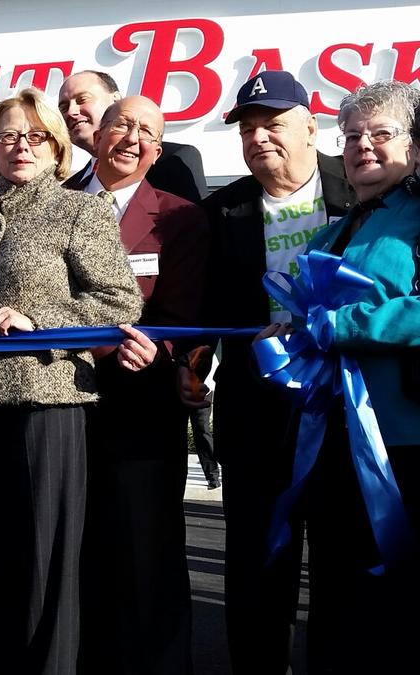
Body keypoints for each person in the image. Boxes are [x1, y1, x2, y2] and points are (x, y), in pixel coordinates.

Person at [0, 88, 143, 675]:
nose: (20, 146)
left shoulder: (80, 210)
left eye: (34, 136)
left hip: (48, 401)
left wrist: (39, 322)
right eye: (7, 137)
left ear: (55, 147)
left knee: (45, 562)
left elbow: (119, 302)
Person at [188, 70, 355, 675]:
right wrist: (192, 360)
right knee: (258, 564)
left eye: (273, 124)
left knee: (343, 563)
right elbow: (201, 311)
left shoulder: (359, 193)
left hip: (347, 413)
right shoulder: (220, 211)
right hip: (256, 415)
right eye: (248, 129)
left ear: (312, 127)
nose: (259, 138)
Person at [276, 79, 419, 673]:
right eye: (353, 135)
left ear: (413, 145)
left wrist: (340, 323)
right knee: (336, 592)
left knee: (396, 601)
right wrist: (286, 331)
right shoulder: (334, 229)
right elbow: (310, 317)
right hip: (335, 435)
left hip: (402, 441)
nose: (364, 146)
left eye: (381, 133)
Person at [71, 96, 208, 675]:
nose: (132, 138)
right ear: (97, 133)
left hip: (141, 406)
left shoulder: (179, 217)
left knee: (146, 552)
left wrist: (171, 351)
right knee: (77, 550)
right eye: (122, 124)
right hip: (61, 403)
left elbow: (187, 312)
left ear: (157, 150)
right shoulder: (57, 205)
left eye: (147, 131)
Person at [58, 70, 208, 203]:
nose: (71, 112)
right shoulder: (66, 191)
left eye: (82, 100)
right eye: (63, 107)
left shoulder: (174, 161)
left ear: (116, 100)